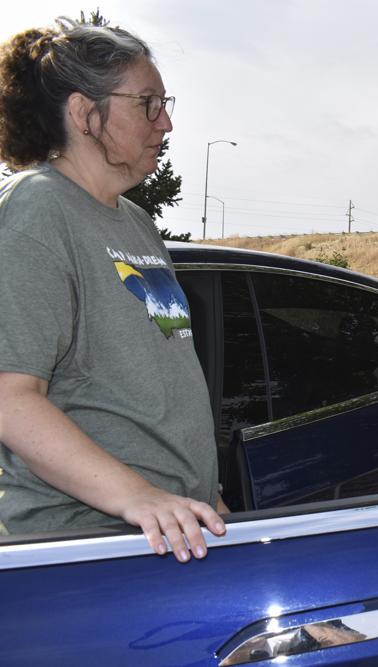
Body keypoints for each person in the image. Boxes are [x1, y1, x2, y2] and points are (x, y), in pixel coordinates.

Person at [0, 18, 226, 563]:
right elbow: (9, 398)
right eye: (148, 102)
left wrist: (200, 488)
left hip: (165, 533)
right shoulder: (35, 210)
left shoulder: (137, 223)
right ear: (83, 114)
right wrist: (138, 496)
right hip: (82, 544)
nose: (166, 122)